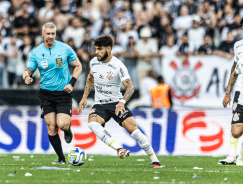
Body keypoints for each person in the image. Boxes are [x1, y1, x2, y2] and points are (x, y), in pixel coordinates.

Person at [77, 35, 162, 168]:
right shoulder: (94, 62)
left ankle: (155, 160)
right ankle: (119, 149)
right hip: (100, 104)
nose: (96, 52)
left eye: (99, 49)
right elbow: (90, 78)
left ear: (109, 49)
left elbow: (130, 87)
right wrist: (84, 97)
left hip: (116, 102)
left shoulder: (118, 65)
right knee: (92, 124)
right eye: (96, 49)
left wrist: (122, 102)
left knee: (135, 132)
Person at [22, 22, 82, 164]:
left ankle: (68, 130)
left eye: (53, 34)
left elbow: (78, 66)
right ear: (43, 34)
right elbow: (27, 70)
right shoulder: (36, 52)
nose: (50, 36)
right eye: (48, 34)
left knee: (62, 125)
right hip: (46, 94)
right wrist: (26, 77)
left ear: (55, 34)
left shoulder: (65, 49)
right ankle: (61, 158)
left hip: (63, 93)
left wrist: (71, 83)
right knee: (51, 126)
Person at [222, 30, 243, 165]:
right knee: (235, 131)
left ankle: (240, 155)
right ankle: (232, 155)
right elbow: (234, 70)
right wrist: (227, 93)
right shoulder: (238, 46)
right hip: (240, 93)